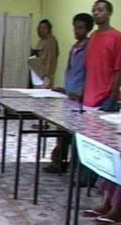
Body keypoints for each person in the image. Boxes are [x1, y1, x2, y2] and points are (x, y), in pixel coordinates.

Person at [82, 1, 121, 223]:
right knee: (101, 155)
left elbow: (118, 70)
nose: (96, 13)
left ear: (110, 13)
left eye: (101, 10)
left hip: (106, 103)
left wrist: (111, 97)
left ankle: (116, 207)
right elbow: (90, 68)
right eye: (94, 10)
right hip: (90, 101)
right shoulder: (94, 38)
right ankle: (106, 202)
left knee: (113, 155)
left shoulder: (117, 37)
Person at [43, 13, 94, 173]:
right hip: (69, 94)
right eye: (75, 27)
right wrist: (65, 89)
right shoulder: (75, 47)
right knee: (61, 129)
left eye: (80, 28)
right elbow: (72, 72)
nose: (76, 30)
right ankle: (58, 161)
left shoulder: (89, 47)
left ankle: (74, 166)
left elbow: (89, 72)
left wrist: (82, 92)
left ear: (87, 29)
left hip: (81, 97)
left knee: (77, 133)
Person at [28, 19, 59, 88]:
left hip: (44, 76)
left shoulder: (50, 42)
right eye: (40, 28)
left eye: (44, 28)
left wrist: (46, 76)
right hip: (37, 74)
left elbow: (49, 61)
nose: (41, 30)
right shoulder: (41, 40)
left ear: (49, 29)